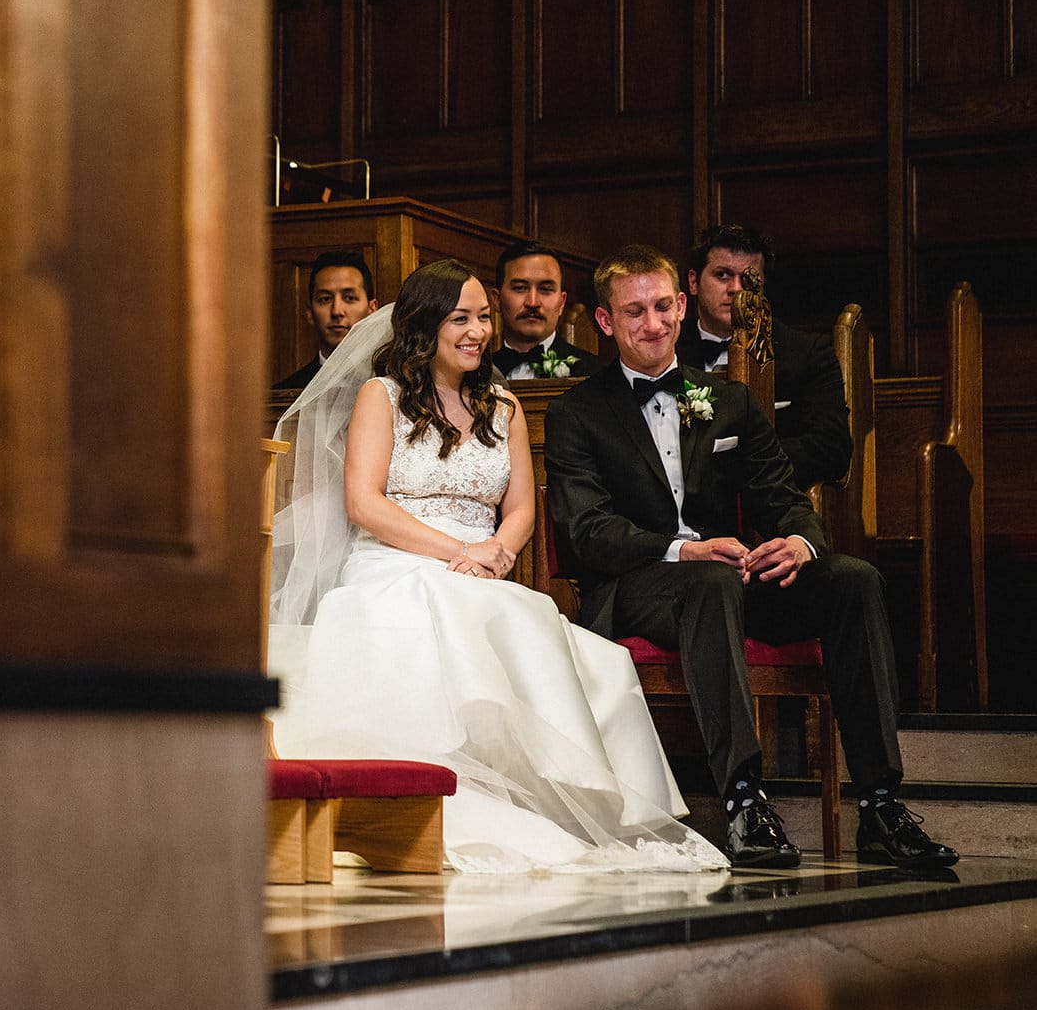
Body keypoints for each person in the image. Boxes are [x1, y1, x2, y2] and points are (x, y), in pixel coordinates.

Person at [268, 258, 727, 873]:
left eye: (484, 317)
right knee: (449, 613)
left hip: (484, 569)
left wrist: (501, 551)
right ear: (424, 326)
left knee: (549, 636)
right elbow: (365, 504)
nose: (477, 331)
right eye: (460, 318)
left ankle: (566, 800)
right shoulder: (384, 397)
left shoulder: (502, 405)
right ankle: (422, 803)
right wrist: (457, 552)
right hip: (393, 563)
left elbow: (520, 508)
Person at [543, 244, 956, 869]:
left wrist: (800, 540)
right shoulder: (578, 412)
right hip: (641, 585)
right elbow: (588, 531)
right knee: (710, 582)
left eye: (661, 307)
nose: (652, 325)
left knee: (852, 581)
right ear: (605, 322)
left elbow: (783, 495)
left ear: (682, 307)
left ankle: (878, 803)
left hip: (731, 579)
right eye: (633, 313)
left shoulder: (729, 402)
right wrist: (684, 550)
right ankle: (743, 801)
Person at [676, 224, 852, 489]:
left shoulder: (808, 353)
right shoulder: (667, 351)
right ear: (693, 282)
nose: (736, 289)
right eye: (722, 275)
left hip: (772, 505)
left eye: (749, 279)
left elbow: (832, 449)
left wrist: (737, 461)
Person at [490, 239, 598, 380]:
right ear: (497, 300)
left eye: (545, 289)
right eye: (520, 288)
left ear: (561, 303)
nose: (533, 302)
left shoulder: (597, 374)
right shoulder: (473, 375)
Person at [274, 250, 378, 390]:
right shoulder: (283, 392)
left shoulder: (395, 385)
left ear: (372, 310)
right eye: (325, 299)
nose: (337, 311)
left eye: (349, 298)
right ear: (310, 313)